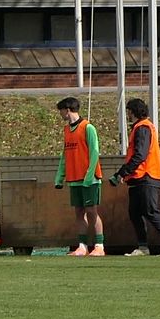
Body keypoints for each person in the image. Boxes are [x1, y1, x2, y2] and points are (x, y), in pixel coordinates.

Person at [109, 99, 160, 257]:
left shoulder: (143, 128)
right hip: (139, 176)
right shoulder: (141, 127)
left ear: (133, 111)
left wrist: (122, 173)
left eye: (128, 111)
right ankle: (143, 247)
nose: (127, 115)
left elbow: (140, 155)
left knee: (150, 210)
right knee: (135, 212)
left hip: (147, 175)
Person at [54, 97, 105, 256]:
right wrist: (60, 176)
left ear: (67, 110)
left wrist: (89, 175)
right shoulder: (67, 130)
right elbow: (65, 155)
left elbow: (94, 152)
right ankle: (82, 246)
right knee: (79, 212)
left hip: (89, 179)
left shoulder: (88, 127)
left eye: (61, 110)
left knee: (92, 211)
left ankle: (99, 245)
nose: (60, 114)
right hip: (74, 178)